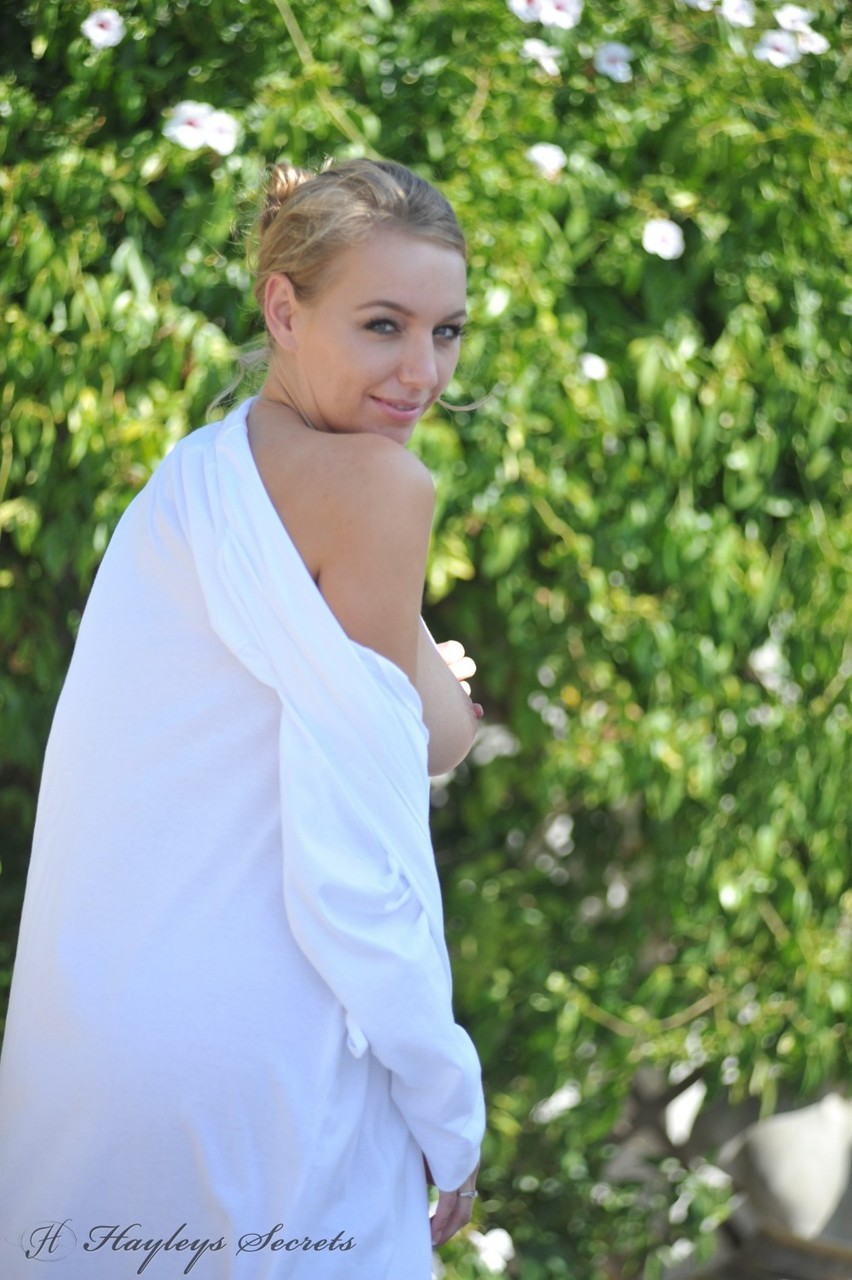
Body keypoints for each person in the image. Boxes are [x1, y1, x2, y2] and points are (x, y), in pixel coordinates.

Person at [0, 159, 486, 1279]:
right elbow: (358, 869)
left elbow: (410, 727)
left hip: (89, 1055)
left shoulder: (196, 479)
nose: (423, 373)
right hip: (263, 1074)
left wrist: (433, 694)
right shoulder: (377, 489)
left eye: (448, 332)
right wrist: (448, 1108)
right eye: (383, 325)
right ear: (283, 308)